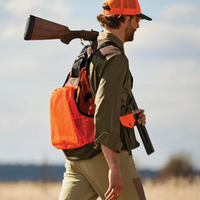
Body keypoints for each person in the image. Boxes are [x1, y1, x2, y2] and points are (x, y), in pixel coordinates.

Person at [59, 0, 152, 199]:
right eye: (136, 19)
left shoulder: (89, 50)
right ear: (125, 18)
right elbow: (103, 110)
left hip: (77, 157)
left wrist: (129, 116)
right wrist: (114, 166)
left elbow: (93, 101)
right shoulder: (115, 57)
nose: (138, 25)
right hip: (102, 155)